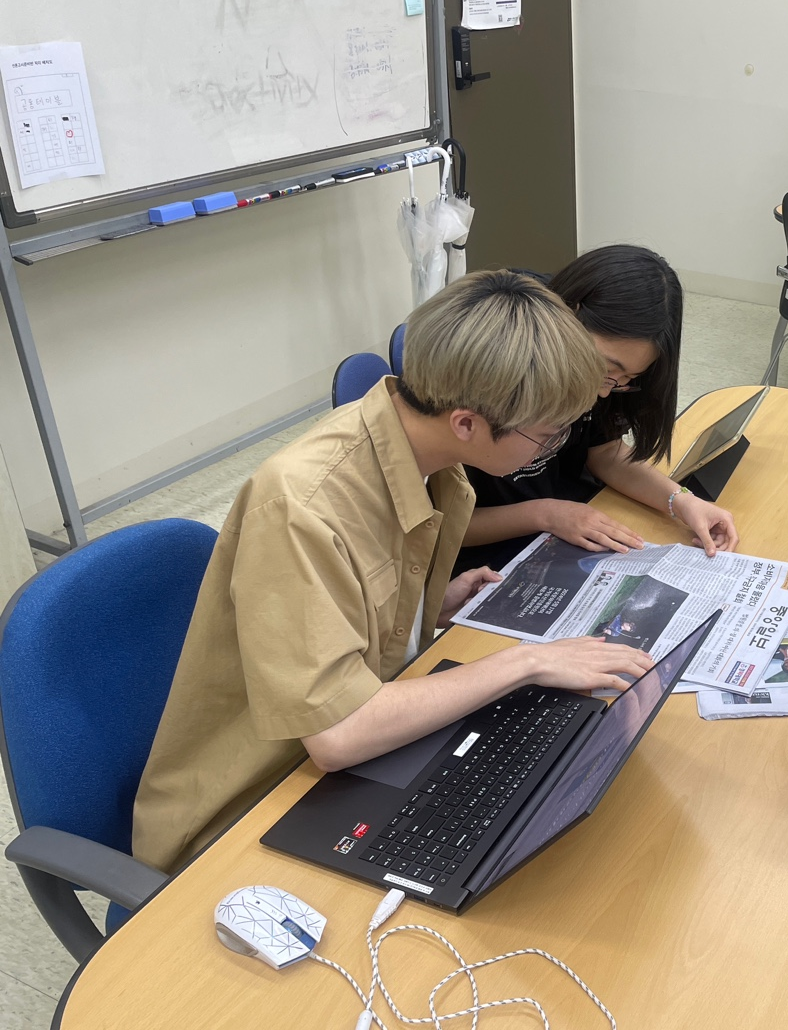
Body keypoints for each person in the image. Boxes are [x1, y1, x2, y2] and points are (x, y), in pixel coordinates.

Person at [132, 271, 654, 873]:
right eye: (548, 435)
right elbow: (338, 735)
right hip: (249, 805)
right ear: (467, 423)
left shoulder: (430, 460)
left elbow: (343, 619)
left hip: (358, 752)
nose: (553, 447)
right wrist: (526, 662)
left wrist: (429, 605)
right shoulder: (303, 506)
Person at [453, 245, 738, 575]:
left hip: (569, 524)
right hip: (489, 556)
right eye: (605, 369)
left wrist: (681, 500)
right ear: (570, 315)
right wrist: (545, 514)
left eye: (626, 379)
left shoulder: (605, 376)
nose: (603, 391)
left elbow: (603, 450)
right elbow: (439, 525)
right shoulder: (497, 355)